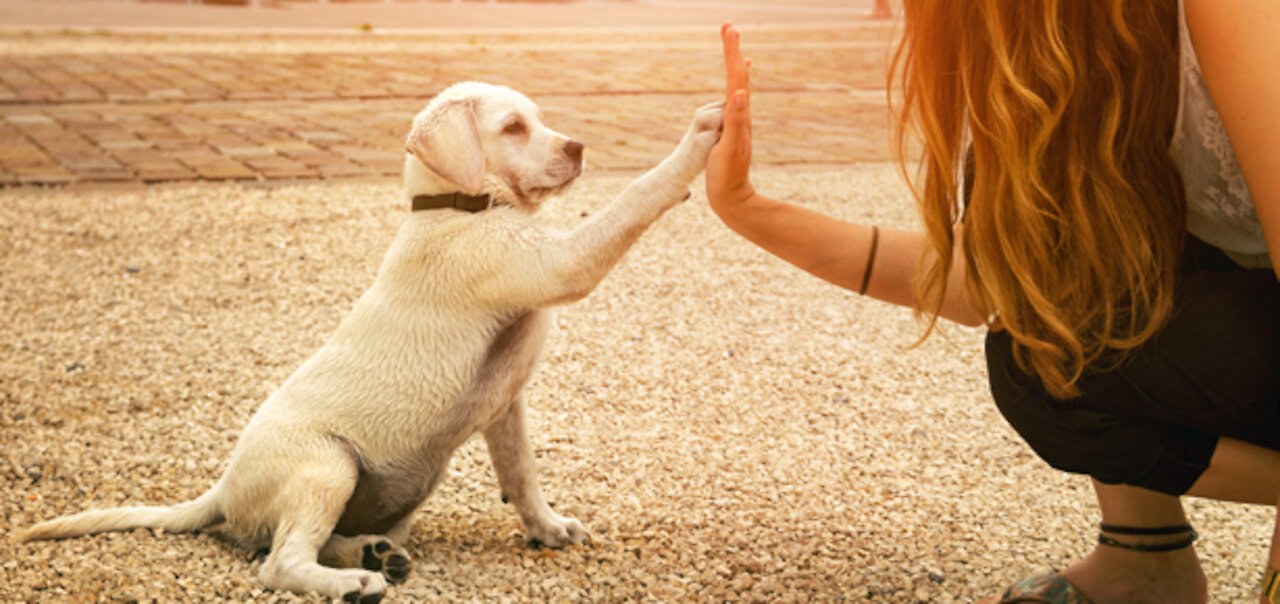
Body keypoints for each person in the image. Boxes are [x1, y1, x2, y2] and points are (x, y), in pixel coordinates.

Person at [705, 1, 1279, 601]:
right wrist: (748, 209)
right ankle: (1144, 562)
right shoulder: (1052, 43)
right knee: (1041, 360)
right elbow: (999, 286)